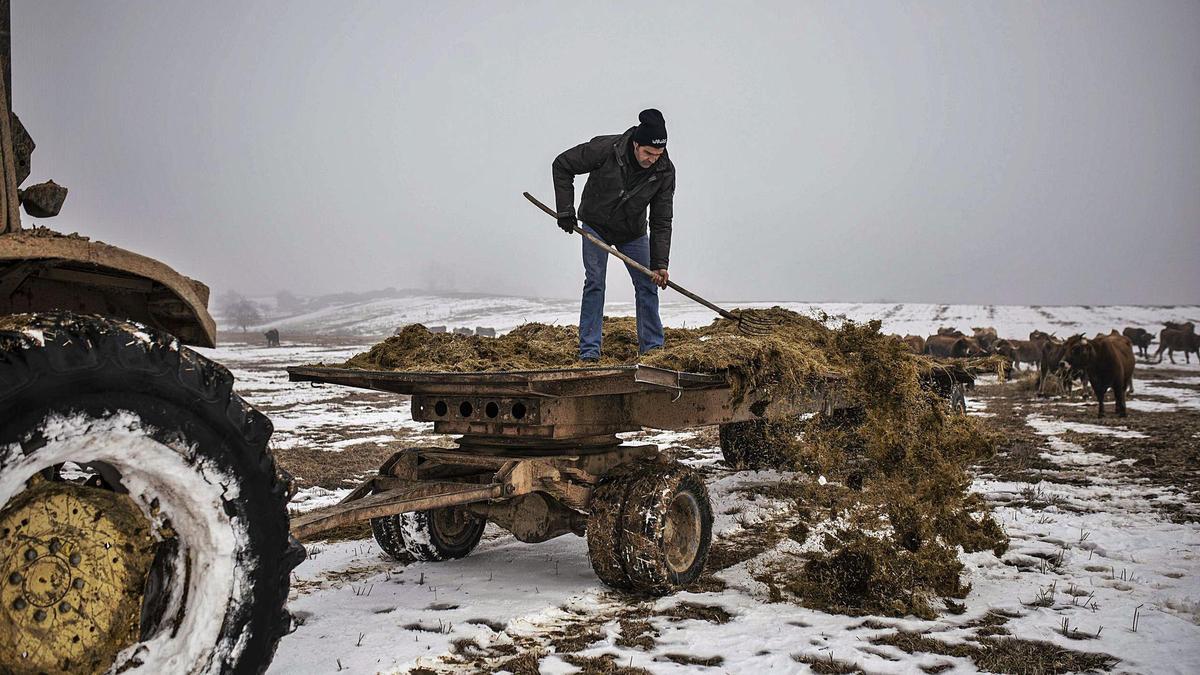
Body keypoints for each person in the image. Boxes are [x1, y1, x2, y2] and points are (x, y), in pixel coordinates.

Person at [552, 109, 675, 361]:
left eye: (658, 154)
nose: (652, 159)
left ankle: (652, 350)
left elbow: (661, 220)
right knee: (595, 282)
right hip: (596, 224)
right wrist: (565, 210)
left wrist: (660, 263)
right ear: (636, 144)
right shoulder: (607, 149)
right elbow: (562, 165)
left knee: (647, 284)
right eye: (648, 153)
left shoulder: (664, 171)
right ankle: (589, 352)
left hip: (632, 232)